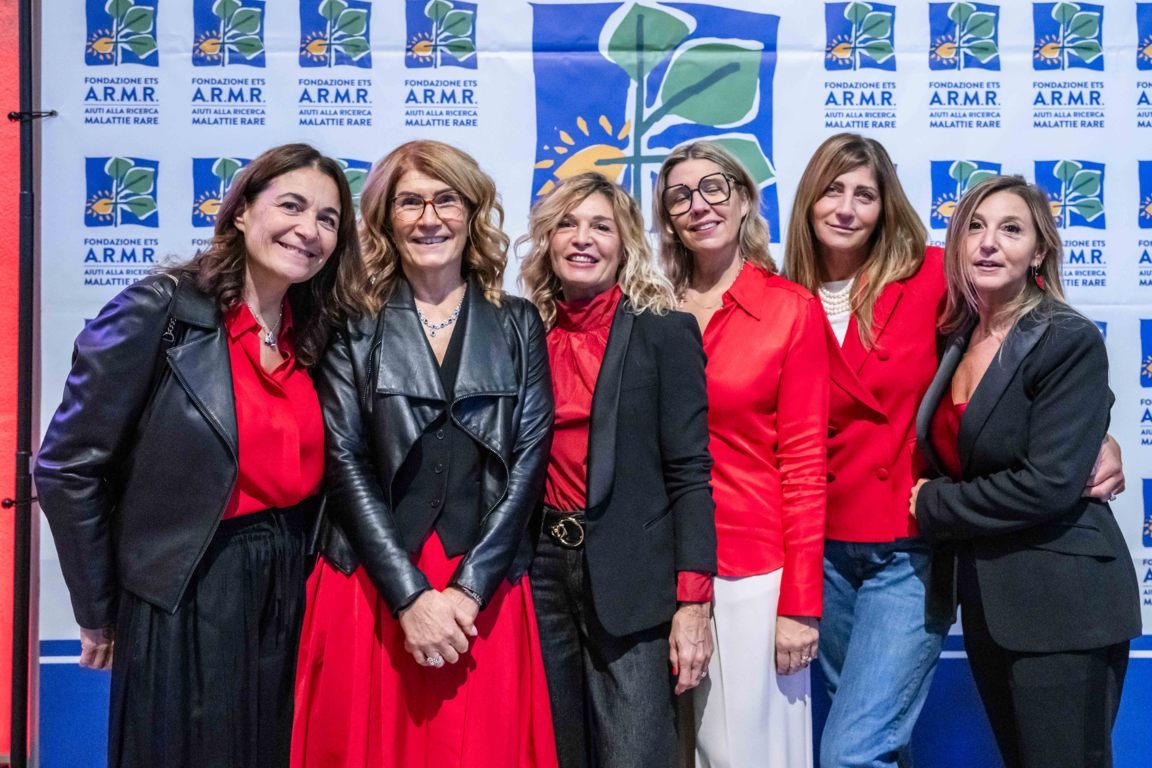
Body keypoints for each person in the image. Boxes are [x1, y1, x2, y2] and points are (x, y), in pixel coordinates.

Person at [783, 133, 1127, 768]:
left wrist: (1099, 436)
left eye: (865, 194)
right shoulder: (782, 298)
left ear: (886, 207)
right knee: (877, 741)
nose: (847, 208)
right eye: (832, 190)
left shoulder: (934, 279)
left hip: (910, 545)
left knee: (854, 751)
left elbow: (1045, 358)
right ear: (807, 200)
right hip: (821, 548)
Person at [34, 143, 365, 768]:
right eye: (291, 206)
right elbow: (67, 466)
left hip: (290, 579)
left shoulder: (315, 330)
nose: (309, 229)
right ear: (240, 211)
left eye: (327, 218)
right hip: (186, 585)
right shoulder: (160, 309)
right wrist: (99, 609)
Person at [291, 140, 558, 768]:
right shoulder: (351, 323)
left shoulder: (518, 323)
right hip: (372, 584)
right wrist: (410, 596)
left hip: (482, 591)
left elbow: (528, 463)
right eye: (410, 202)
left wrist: (468, 591)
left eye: (446, 200)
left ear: (472, 213)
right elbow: (344, 462)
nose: (429, 218)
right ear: (385, 219)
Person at [911, 175, 1141, 768]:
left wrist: (931, 503)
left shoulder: (1065, 338)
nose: (989, 243)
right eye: (975, 228)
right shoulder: (955, 337)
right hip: (992, 604)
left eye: (1011, 229)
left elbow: (1048, 484)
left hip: (1065, 604)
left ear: (1039, 252)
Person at [518, 172, 717, 767]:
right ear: (548, 240)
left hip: (634, 577)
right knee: (556, 751)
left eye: (600, 227)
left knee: (635, 754)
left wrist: (693, 603)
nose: (583, 239)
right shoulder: (521, 331)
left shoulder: (665, 332)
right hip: (537, 573)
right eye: (567, 225)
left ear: (625, 243)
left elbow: (690, 473)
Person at [653, 141, 829, 768]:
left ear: (746, 199)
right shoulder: (650, 307)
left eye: (714, 188)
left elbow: (805, 467)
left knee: (745, 755)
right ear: (667, 218)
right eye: (680, 196)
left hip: (748, 573)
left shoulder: (789, 309)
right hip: (654, 570)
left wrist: (800, 605)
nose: (699, 205)